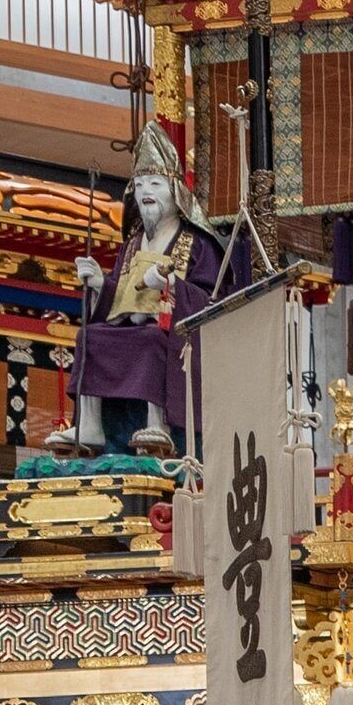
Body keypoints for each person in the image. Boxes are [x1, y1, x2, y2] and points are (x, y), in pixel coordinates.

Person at [61, 125, 229, 461]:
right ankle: (90, 424)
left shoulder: (198, 243)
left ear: (175, 192)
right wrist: (99, 284)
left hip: (173, 333)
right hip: (132, 323)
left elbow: (213, 300)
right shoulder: (133, 243)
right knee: (89, 337)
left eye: (154, 184)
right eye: (139, 186)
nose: (145, 192)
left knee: (152, 341)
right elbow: (121, 294)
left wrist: (168, 286)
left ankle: (159, 424)